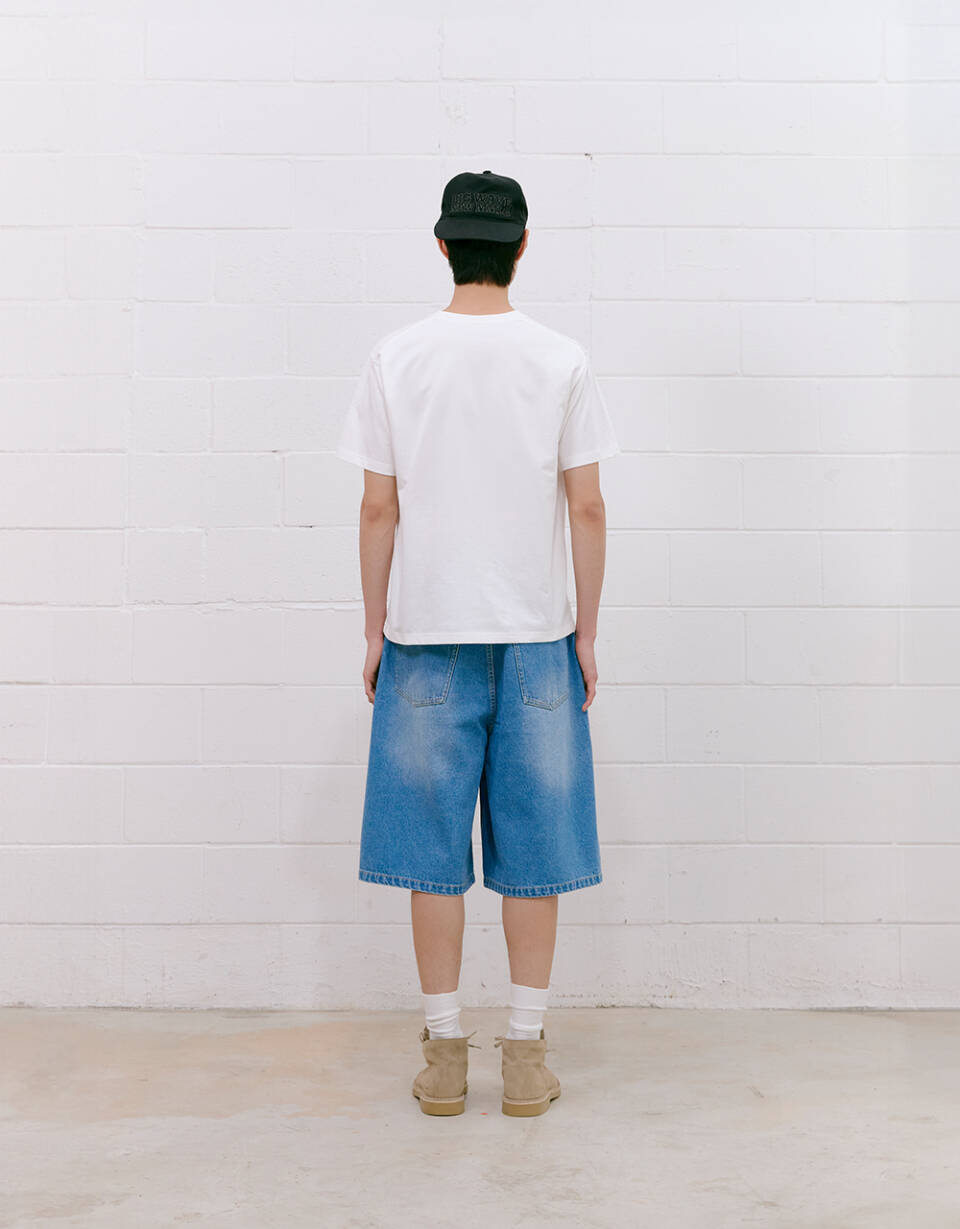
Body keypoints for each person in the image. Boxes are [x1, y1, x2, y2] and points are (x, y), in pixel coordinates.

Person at [335, 169, 620, 1117]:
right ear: (523, 247)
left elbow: (378, 509)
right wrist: (587, 632)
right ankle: (527, 1056)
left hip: (426, 637)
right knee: (535, 854)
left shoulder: (396, 357)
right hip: (537, 637)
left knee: (431, 855)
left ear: (443, 246)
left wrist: (373, 628)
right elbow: (587, 505)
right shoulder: (561, 359)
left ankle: (446, 1055)